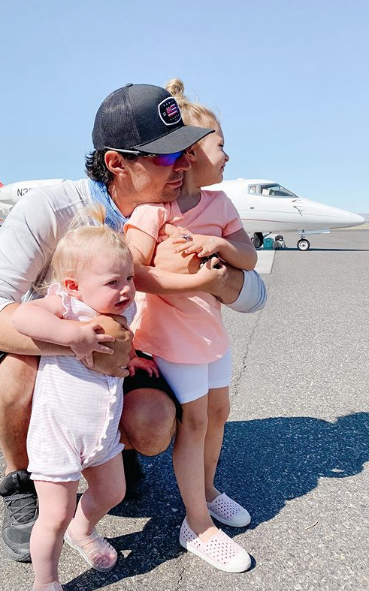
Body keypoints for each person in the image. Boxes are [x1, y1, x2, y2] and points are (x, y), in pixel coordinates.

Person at [0, 82, 267, 563]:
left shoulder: (185, 210)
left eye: (184, 152)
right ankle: (22, 482)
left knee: (155, 425)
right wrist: (76, 341)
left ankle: (109, 448)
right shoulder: (52, 209)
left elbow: (254, 297)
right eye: (166, 157)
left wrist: (213, 278)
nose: (183, 164)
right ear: (118, 163)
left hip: (138, 353)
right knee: (15, 371)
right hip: (57, 342)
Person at [123, 78, 258, 572]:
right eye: (221, 145)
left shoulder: (219, 207)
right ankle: (196, 523)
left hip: (211, 335)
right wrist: (191, 279)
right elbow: (132, 269)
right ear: (193, 151)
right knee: (195, 423)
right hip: (173, 339)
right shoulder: (152, 211)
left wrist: (220, 248)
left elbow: (249, 254)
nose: (228, 156)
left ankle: (207, 489)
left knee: (219, 414)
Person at [11, 209, 158, 591]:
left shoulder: (119, 311)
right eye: (114, 281)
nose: (126, 288)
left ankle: (84, 528)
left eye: (129, 278)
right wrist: (70, 333)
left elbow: (121, 342)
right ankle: (46, 582)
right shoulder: (67, 306)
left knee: (113, 492)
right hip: (59, 436)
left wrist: (134, 356)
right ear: (74, 286)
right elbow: (24, 317)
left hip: (101, 435)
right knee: (53, 515)